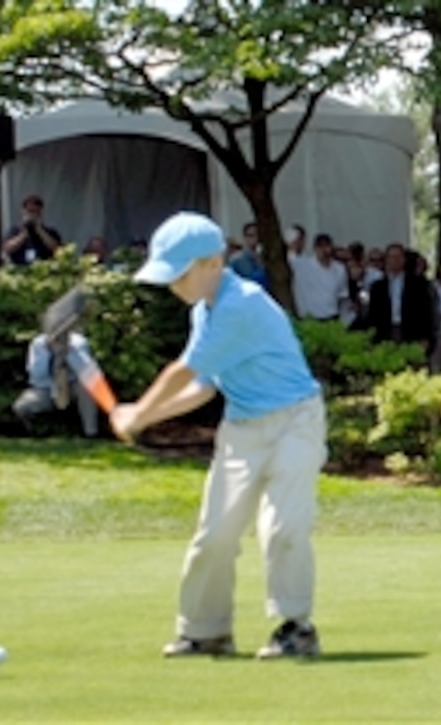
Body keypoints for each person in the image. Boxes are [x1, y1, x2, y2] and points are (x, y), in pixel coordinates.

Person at [109, 211, 327, 659]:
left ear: (213, 263)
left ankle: (296, 627)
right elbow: (203, 385)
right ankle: (206, 630)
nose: (173, 286)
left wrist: (139, 413)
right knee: (215, 533)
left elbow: (183, 370)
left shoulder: (241, 303)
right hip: (242, 428)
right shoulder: (203, 313)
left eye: (179, 274)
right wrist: (146, 418)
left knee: (281, 527)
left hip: (295, 422)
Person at [12, 330, 100, 438]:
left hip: (73, 386)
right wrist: (47, 352)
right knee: (22, 406)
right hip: (46, 388)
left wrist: (68, 352)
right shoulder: (38, 344)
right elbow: (36, 376)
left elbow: (87, 370)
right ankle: (35, 433)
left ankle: (91, 433)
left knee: (89, 388)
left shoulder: (79, 342)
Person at [367, 242, 435, 349]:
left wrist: (426, 337)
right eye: (392, 257)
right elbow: (372, 314)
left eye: (398, 257)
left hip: (411, 331)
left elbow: (426, 311)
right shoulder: (377, 287)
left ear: (404, 259)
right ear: (386, 260)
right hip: (385, 332)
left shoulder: (418, 284)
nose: (395, 260)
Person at [288, 228, 350, 321]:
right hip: (309, 317)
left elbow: (342, 295)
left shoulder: (339, 269)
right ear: (315, 249)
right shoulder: (302, 265)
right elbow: (291, 253)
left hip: (332, 315)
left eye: (326, 246)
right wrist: (295, 238)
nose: (324, 250)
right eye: (320, 247)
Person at [3, 195, 63, 266]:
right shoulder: (15, 231)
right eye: (29, 211)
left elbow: (58, 250)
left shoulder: (50, 232)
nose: (32, 215)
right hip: (20, 270)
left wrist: (39, 230)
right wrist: (24, 234)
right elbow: (8, 249)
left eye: (35, 212)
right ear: (23, 212)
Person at [228, 221, 267, 286]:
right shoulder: (238, 259)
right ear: (245, 237)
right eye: (251, 235)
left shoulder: (263, 256)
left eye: (257, 235)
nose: (255, 238)